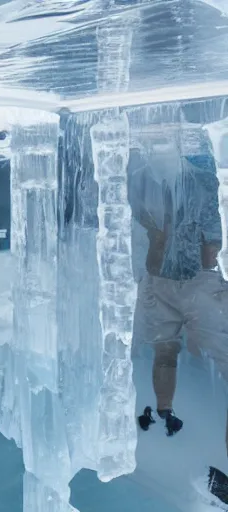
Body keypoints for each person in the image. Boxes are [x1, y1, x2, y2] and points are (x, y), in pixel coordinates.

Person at [129, 138, 228, 505]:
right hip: (171, 282)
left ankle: (165, 412)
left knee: (165, 351)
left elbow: (208, 236)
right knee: (164, 351)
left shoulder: (188, 178)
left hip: (176, 280)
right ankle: (165, 412)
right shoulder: (148, 178)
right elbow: (210, 237)